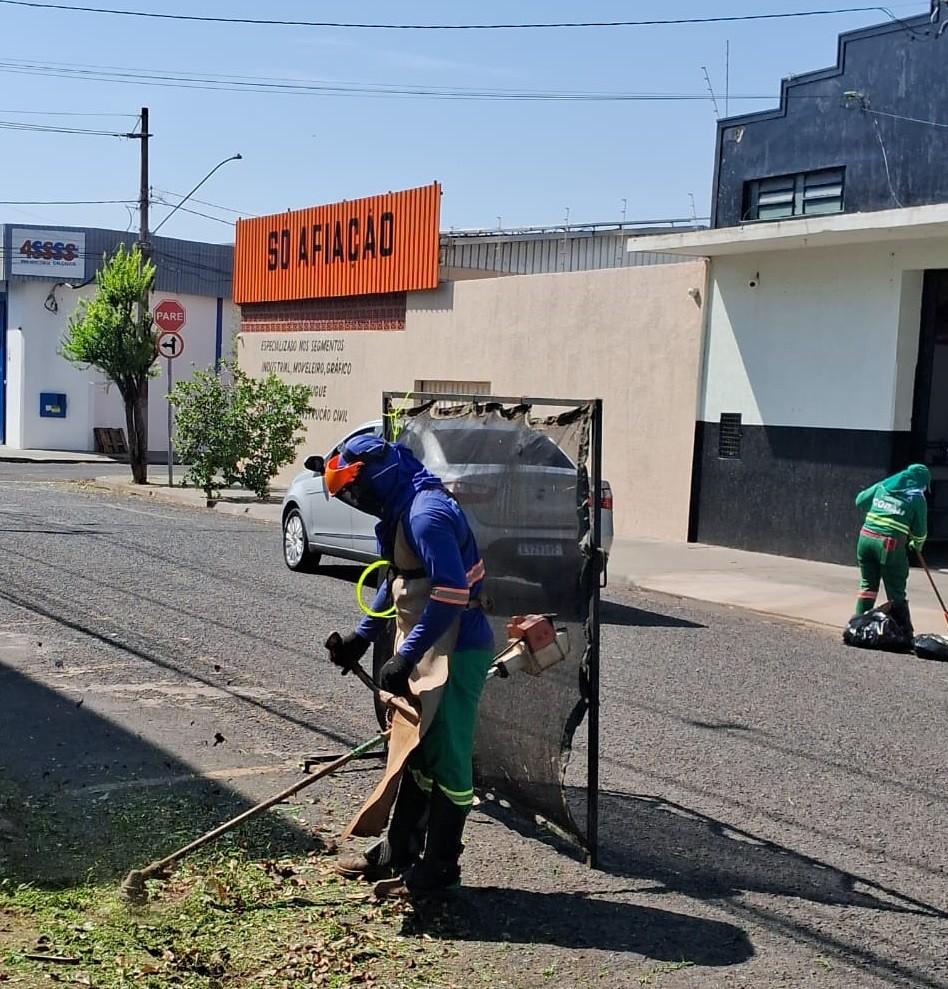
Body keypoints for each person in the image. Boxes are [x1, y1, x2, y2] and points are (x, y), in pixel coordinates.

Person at [322, 433, 494, 895]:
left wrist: (405, 656)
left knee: (450, 760)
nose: (355, 500)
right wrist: (361, 636)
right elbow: (398, 579)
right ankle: (399, 852)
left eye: (354, 489)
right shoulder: (403, 509)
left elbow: (452, 594)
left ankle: (439, 870)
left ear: (378, 476)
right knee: (416, 748)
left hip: (458, 648)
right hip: (428, 643)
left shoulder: (427, 515)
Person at [853, 463, 930, 634]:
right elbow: (920, 532)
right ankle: (902, 632)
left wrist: (883, 508)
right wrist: (916, 544)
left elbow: (860, 501)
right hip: (889, 544)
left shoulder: (884, 485)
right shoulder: (916, 498)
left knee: (867, 585)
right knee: (896, 588)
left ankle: (856, 627)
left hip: (865, 538)